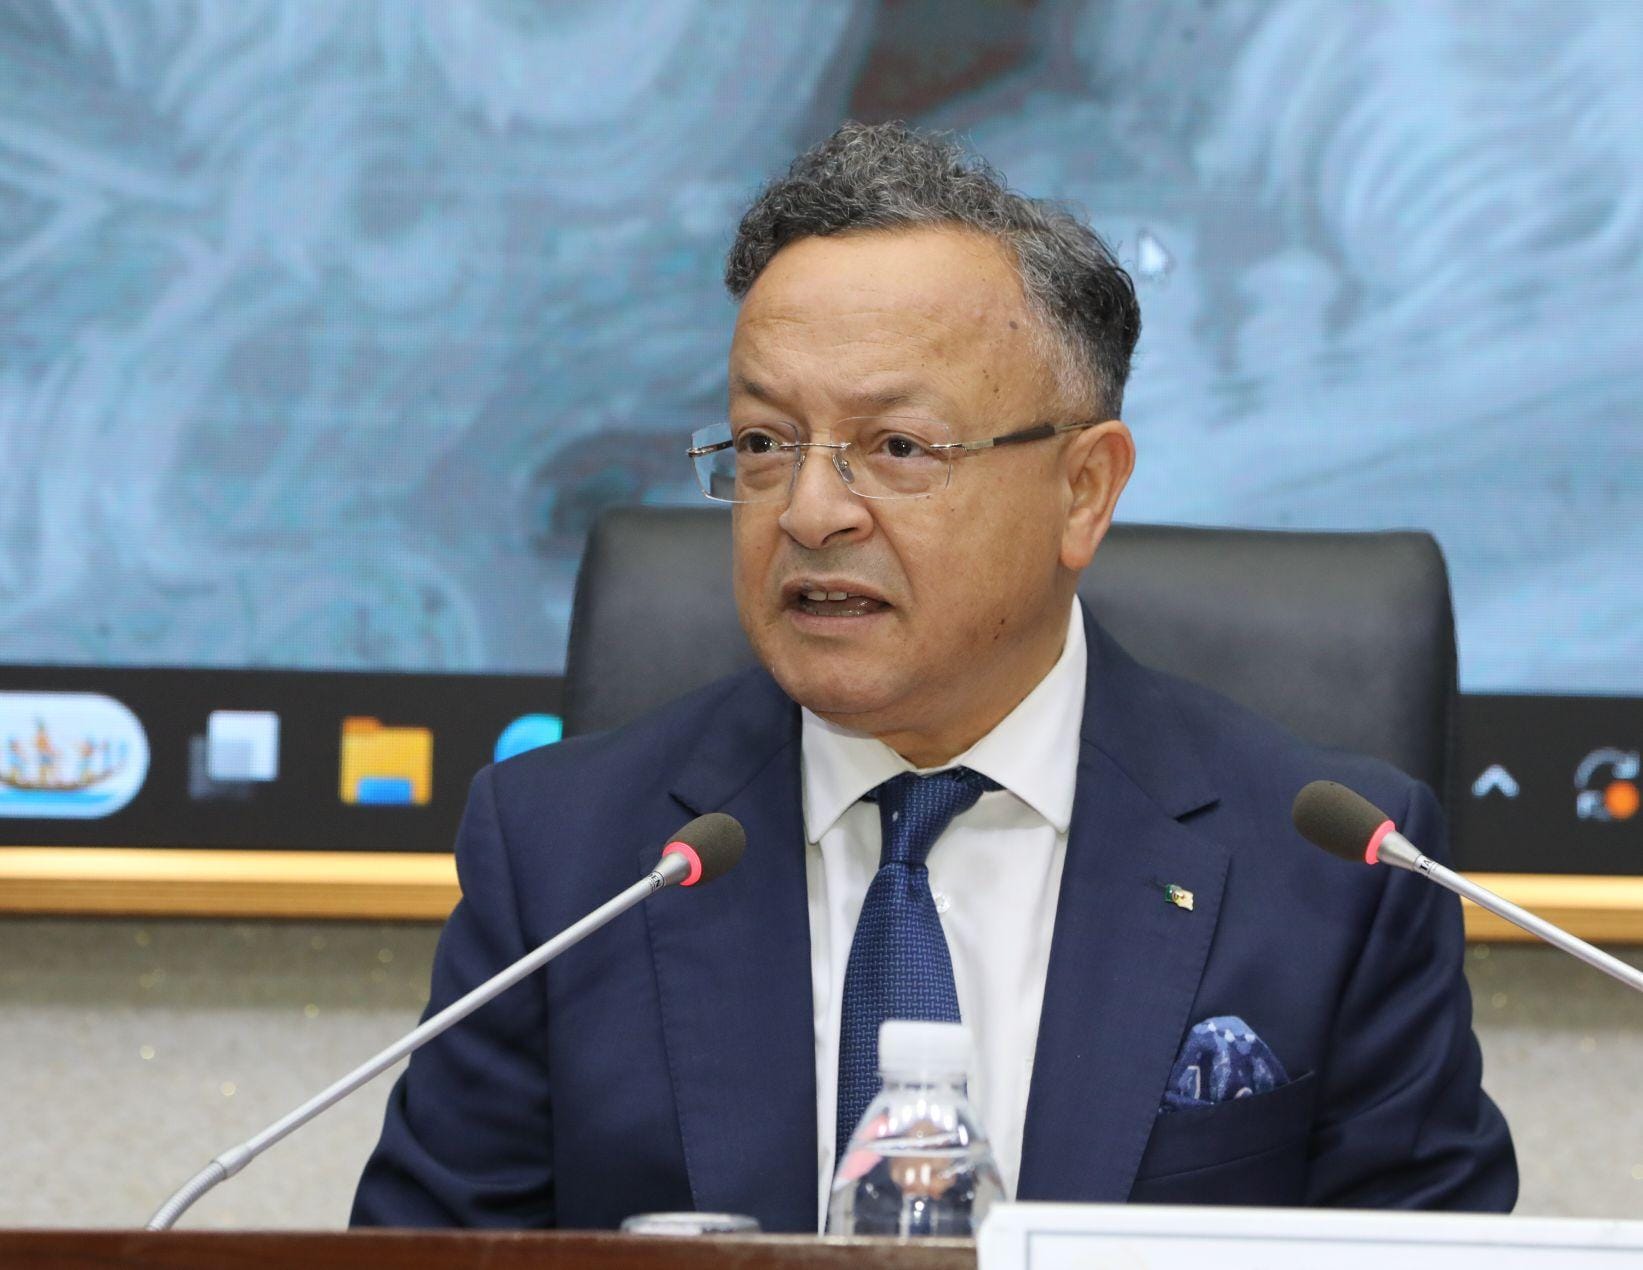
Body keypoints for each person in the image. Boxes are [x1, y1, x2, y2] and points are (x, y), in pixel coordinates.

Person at [352, 122, 1515, 1231]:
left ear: (1081, 491)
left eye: (896, 447)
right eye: (763, 444)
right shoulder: (566, 862)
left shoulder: (1334, 873)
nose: (809, 511)